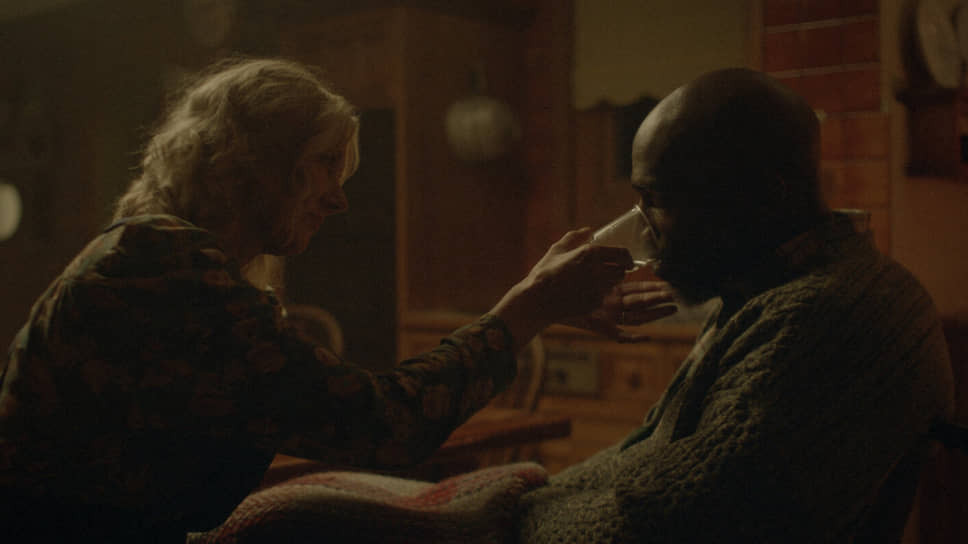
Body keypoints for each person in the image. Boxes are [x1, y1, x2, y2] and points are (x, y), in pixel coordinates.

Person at [0, 58, 676, 542]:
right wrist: (528, 308)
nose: (339, 198)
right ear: (255, 160)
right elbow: (386, 426)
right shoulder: (167, 269)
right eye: (326, 163)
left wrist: (536, 311)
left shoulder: (154, 249)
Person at [515, 68, 955, 542]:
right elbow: (643, 456)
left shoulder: (827, 318)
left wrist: (508, 523)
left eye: (659, 200)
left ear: (763, 194)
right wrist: (519, 496)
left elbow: (668, 520)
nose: (643, 229)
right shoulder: (771, 292)